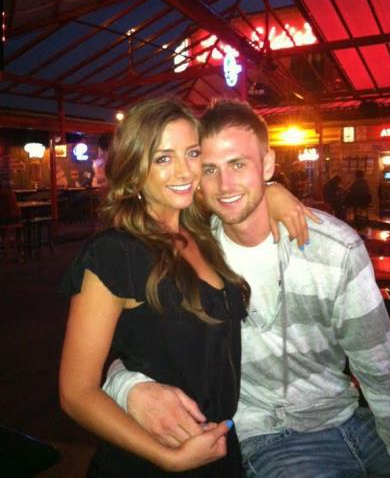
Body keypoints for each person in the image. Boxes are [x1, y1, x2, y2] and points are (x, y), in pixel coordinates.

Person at [104, 99, 390, 477]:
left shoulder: (335, 248)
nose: (224, 185)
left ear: (268, 164)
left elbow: (381, 372)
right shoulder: (197, 256)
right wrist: (127, 386)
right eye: (209, 168)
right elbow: (146, 347)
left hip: (353, 419)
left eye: (238, 164)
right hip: (270, 437)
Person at [59, 97, 313, 478]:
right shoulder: (115, 254)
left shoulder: (203, 233)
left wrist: (272, 190)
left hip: (221, 450)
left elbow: (244, 200)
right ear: (134, 170)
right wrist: (167, 458)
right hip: (151, 461)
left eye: (192, 153)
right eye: (163, 158)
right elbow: (76, 393)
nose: (184, 170)